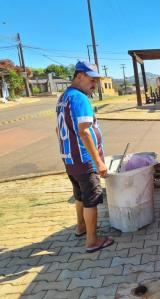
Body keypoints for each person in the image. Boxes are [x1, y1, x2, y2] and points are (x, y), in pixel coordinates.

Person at [55, 61, 114, 253]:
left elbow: (58, 129)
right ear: (79, 75)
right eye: (92, 79)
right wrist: (98, 162)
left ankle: (81, 227)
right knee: (91, 199)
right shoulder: (79, 98)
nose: (94, 84)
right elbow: (85, 131)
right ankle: (92, 241)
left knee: (79, 196)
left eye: (97, 80)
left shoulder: (64, 97)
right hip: (84, 160)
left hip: (70, 159)